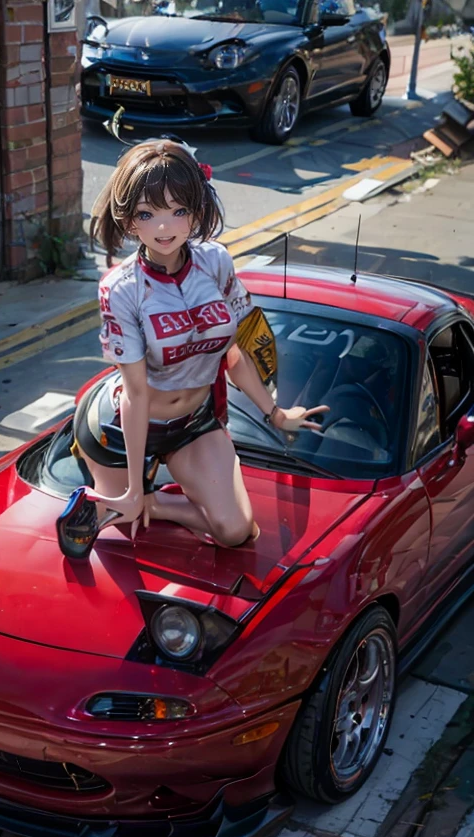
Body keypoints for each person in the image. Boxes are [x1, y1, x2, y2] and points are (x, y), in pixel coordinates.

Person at [56, 139, 328, 559]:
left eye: (178, 211)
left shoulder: (216, 262)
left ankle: (155, 501)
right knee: (121, 528)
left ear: (197, 212)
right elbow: (136, 393)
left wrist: (274, 413)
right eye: (148, 214)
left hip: (193, 421)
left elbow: (233, 353)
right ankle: (128, 496)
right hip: (123, 426)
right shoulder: (120, 288)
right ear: (130, 223)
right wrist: (130, 487)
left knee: (236, 530)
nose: (164, 228)